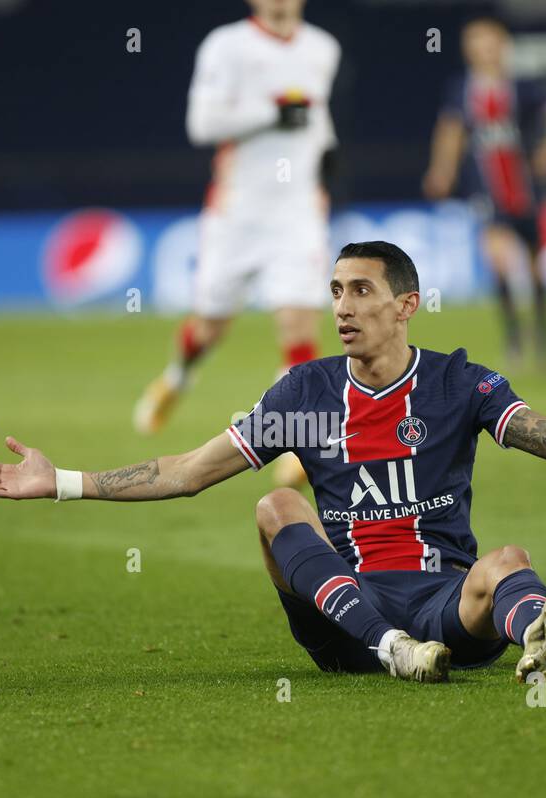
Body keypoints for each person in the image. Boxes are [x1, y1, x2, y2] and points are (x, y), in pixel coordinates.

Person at [0, 241, 546, 684]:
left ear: (404, 305)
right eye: (334, 290)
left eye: (360, 290)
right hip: (342, 616)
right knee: (275, 510)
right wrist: (60, 481)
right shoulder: (304, 391)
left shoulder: (460, 383)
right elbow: (188, 470)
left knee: (508, 559)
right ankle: (389, 649)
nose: (340, 306)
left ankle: (534, 637)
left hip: (444, 604)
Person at [132, 0, 340, 488]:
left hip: (297, 212)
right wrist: (271, 112)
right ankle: (177, 377)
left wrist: (326, 174)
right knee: (209, 327)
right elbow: (201, 124)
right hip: (237, 212)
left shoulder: (322, 47)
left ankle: (295, 441)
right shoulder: (227, 46)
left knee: (297, 324)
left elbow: (319, 118)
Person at [423, 15, 546, 372]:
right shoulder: (461, 88)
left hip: (525, 190)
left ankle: (542, 339)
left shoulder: (524, 87)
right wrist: (442, 170)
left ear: (502, 46)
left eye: (487, 42)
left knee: (535, 267)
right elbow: (451, 130)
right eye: (474, 43)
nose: (481, 50)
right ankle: (514, 340)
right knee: (497, 261)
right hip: (485, 190)